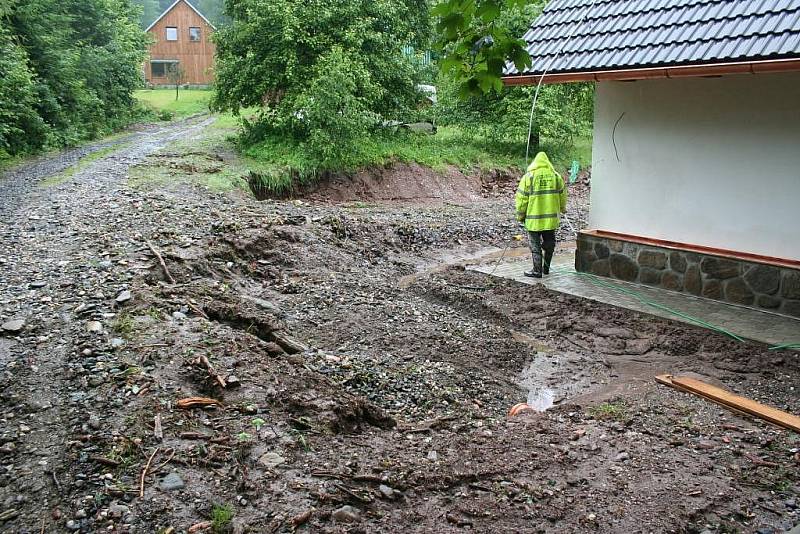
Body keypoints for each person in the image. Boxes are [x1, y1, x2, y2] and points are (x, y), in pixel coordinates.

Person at [515, 151, 568, 278]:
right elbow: (563, 195)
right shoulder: (556, 176)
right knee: (550, 243)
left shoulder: (529, 177)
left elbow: (522, 199)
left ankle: (536, 270)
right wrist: (562, 209)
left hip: (533, 220)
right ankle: (546, 268)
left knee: (535, 246)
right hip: (550, 221)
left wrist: (520, 215)